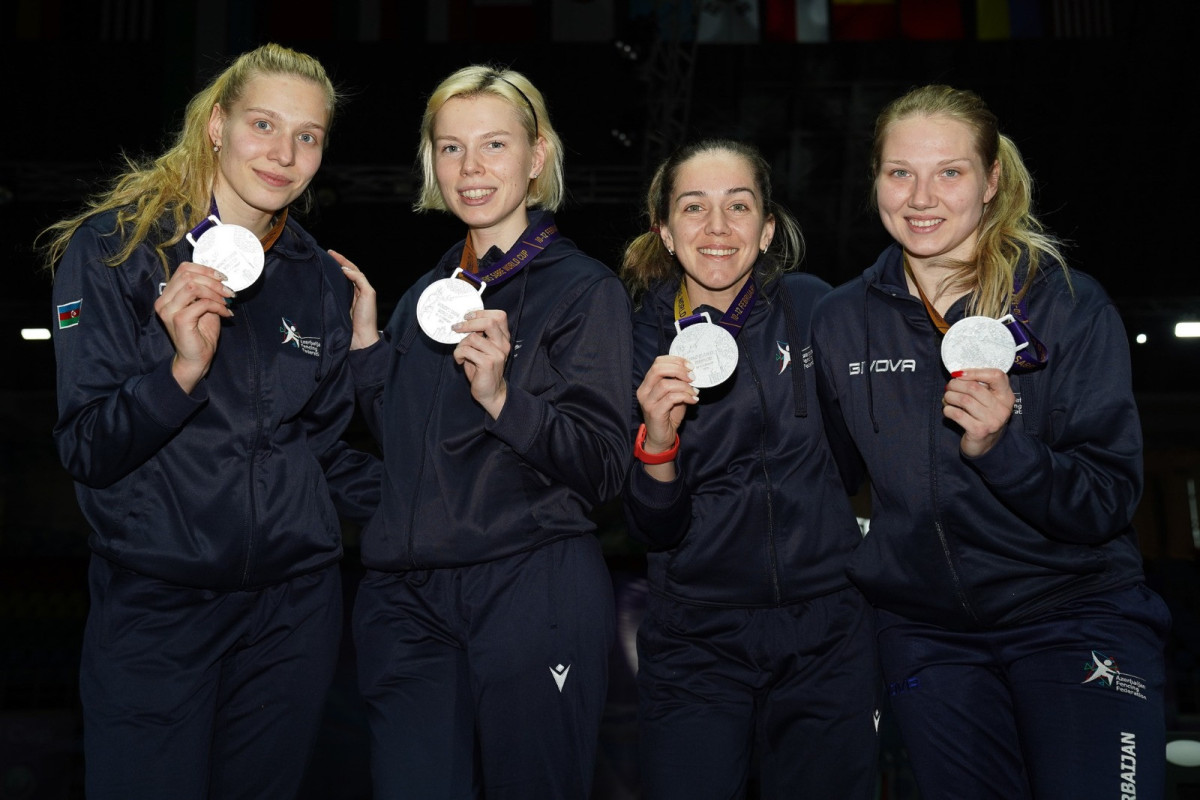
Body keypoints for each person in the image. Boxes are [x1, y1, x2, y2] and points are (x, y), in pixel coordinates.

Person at [811, 84, 1169, 799]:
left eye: (950, 171)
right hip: (928, 637)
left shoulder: (1065, 300)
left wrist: (1005, 447)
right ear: (875, 178)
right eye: (899, 172)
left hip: (1073, 616)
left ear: (992, 180)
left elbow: (1107, 498)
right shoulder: (842, 319)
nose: (921, 196)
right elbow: (822, 477)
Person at [41, 43, 379, 799]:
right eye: (263, 123)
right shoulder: (113, 248)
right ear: (218, 125)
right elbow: (87, 446)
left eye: (308, 135)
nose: (283, 154)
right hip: (158, 610)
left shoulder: (321, 279)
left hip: (293, 614)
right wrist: (179, 373)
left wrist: (471, 494)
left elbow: (321, 454)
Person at [335, 65, 630, 799]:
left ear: (537, 157)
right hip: (407, 597)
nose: (471, 169)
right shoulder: (426, 296)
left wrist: (505, 398)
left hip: (530, 585)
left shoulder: (583, 290)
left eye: (495, 145)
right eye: (451, 147)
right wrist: (371, 355)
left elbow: (603, 469)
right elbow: (410, 449)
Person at [620, 139, 880, 799]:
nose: (716, 228)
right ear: (664, 230)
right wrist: (656, 441)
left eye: (738, 206)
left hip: (827, 628)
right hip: (695, 634)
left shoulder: (816, 306)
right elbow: (652, 527)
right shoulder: (631, 343)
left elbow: (857, 461)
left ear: (766, 230)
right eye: (693, 207)